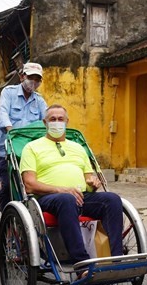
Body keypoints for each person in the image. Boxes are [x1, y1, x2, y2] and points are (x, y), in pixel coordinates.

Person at [20, 104, 123, 266]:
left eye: (60, 119)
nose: (57, 122)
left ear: (67, 121)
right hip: (48, 199)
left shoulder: (78, 148)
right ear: (45, 123)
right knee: (67, 199)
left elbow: (88, 180)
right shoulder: (31, 147)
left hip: (81, 196)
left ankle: (116, 258)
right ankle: (82, 262)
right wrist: (61, 190)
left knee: (112, 199)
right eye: (52, 119)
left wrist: (93, 184)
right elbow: (29, 184)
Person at [0, 62, 48, 210]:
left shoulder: (39, 100)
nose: (34, 82)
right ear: (21, 77)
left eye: (37, 79)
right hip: (7, 151)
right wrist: (10, 129)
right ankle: (6, 220)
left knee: (33, 185)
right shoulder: (9, 92)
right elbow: (3, 113)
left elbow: (47, 119)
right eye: (31, 77)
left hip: (31, 152)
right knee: (7, 187)